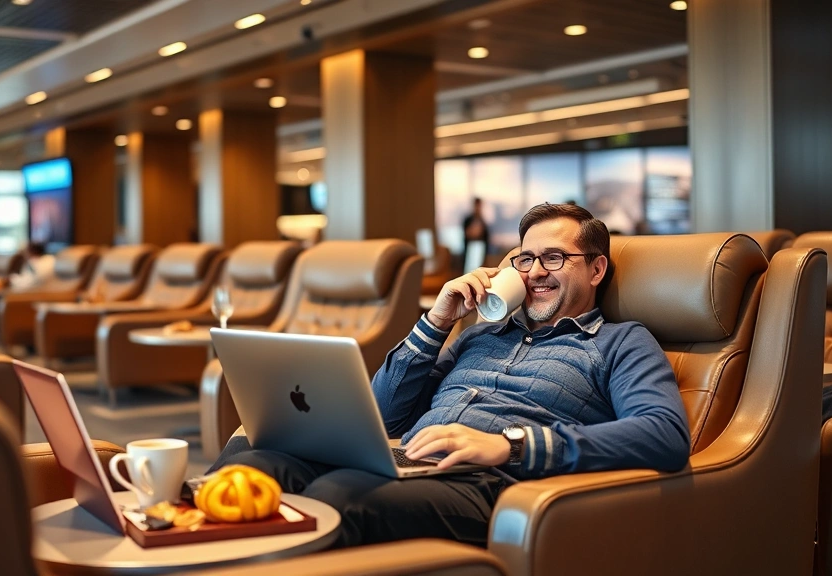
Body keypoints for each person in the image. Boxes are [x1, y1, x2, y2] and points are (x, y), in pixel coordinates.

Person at [210, 203, 690, 548]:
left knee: (337, 497)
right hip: (408, 462)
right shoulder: (481, 334)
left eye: (555, 258)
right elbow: (384, 412)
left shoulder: (621, 341)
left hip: (493, 482)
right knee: (250, 459)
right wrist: (438, 321)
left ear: (597, 268)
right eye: (525, 258)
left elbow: (664, 434)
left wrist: (511, 444)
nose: (535, 272)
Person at [462, 197, 490, 270]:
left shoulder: (482, 221)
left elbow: (486, 237)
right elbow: (466, 234)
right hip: (470, 249)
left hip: (480, 249)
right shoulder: (468, 220)